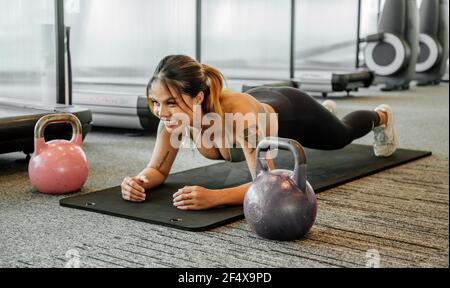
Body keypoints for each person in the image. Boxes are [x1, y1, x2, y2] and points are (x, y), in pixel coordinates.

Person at [121, 55, 398, 210]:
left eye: (170, 102)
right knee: (331, 129)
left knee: (341, 136)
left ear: (197, 97)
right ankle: (326, 111)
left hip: (295, 112)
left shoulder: (238, 117)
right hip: (264, 105)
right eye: (155, 102)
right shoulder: (172, 120)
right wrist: (138, 181)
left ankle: (380, 116)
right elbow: (156, 170)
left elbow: (267, 184)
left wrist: (215, 197)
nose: (160, 112)